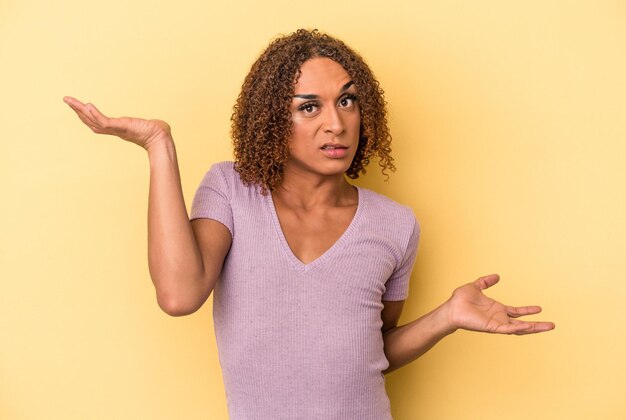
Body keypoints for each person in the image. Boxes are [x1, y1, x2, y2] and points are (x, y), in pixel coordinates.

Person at [64, 29, 554, 420]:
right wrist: (159, 146)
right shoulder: (230, 191)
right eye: (308, 106)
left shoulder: (394, 224)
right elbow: (179, 294)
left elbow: (374, 351)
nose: (336, 124)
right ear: (273, 118)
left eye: (347, 101)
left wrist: (445, 318)